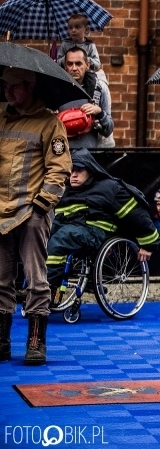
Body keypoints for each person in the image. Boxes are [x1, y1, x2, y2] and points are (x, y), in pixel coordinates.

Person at [0, 67, 72, 366]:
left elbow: (60, 168)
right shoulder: (2, 119)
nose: (8, 91)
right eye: (5, 86)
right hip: (2, 212)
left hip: (31, 212)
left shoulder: (50, 124)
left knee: (36, 279)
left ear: (30, 86)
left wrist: (42, 205)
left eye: (14, 86)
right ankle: (2, 340)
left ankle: (35, 342)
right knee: (1, 279)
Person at [46, 149, 159, 285]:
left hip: (95, 232)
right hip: (72, 230)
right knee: (39, 237)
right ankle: (32, 286)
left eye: (79, 170)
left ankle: (46, 289)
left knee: (61, 239)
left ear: (90, 170)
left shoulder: (110, 188)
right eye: (71, 170)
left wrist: (148, 244)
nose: (73, 175)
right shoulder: (66, 191)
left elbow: (135, 215)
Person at [59, 46, 115, 149]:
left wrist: (99, 112)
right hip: (60, 155)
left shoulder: (99, 89)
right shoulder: (56, 90)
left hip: (89, 155)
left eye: (78, 63)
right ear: (65, 66)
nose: (74, 68)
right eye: (70, 64)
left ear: (87, 65)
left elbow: (108, 129)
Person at [56, 13, 105, 84]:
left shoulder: (90, 46)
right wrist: (66, 59)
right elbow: (58, 63)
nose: (73, 30)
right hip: (68, 77)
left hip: (87, 78)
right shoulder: (65, 44)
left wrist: (85, 60)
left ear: (87, 29)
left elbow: (97, 65)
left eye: (77, 27)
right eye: (70, 28)